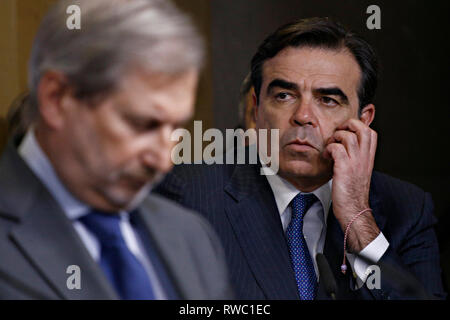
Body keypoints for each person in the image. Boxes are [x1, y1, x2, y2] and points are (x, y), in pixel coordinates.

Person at [155, 17, 446, 299]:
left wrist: (359, 221)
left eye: (328, 100)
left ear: (363, 120)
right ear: (256, 109)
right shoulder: (186, 194)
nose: (303, 116)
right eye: (284, 96)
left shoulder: (408, 210)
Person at [0, 0, 232, 300]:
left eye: (176, 128)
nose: (163, 161)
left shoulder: (192, 236)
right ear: (56, 98)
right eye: (142, 124)